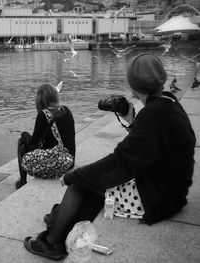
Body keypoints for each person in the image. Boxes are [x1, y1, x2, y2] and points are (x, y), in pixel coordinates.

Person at [23, 54, 196, 261]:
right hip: (170, 188)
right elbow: (148, 147)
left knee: (80, 183)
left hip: (158, 197)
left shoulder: (153, 113)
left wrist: (73, 176)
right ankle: (60, 219)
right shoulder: (168, 101)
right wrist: (132, 120)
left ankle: (51, 243)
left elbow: (121, 161)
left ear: (133, 85)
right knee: (93, 183)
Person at [15, 83, 76, 189]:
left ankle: (22, 181)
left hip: (58, 162)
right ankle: (22, 180)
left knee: (22, 142)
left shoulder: (43, 115)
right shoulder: (66, 110)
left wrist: (26, 137)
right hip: (70, 160)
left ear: (40, 100)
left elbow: (33, 143)